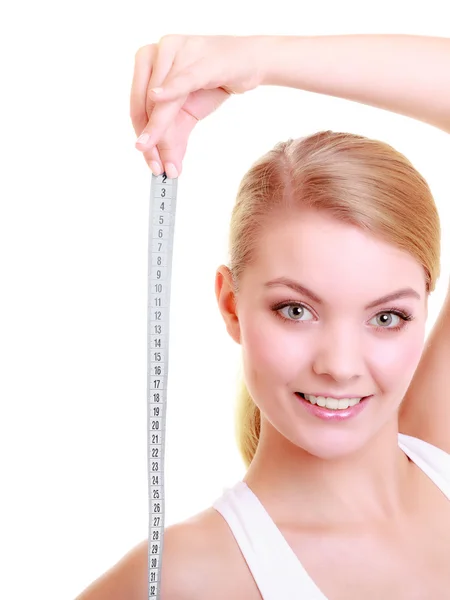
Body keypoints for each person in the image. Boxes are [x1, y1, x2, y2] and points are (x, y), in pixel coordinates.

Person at [76, 34, 450, 599]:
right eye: (295, 310)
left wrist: (257, 60)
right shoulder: (185, 578)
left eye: (388, 317)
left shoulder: (440, 455)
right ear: (231, 304)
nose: (341, 366)